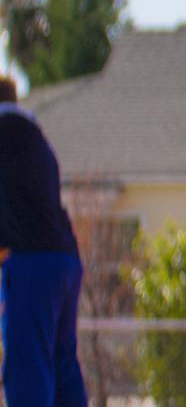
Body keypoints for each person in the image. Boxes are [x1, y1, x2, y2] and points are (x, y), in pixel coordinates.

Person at [0, 74, 88, 407]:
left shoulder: (3, 135)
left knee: (28, 365)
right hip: (65, 260)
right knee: (62, 363)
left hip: (30, 264)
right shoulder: (34, 138)